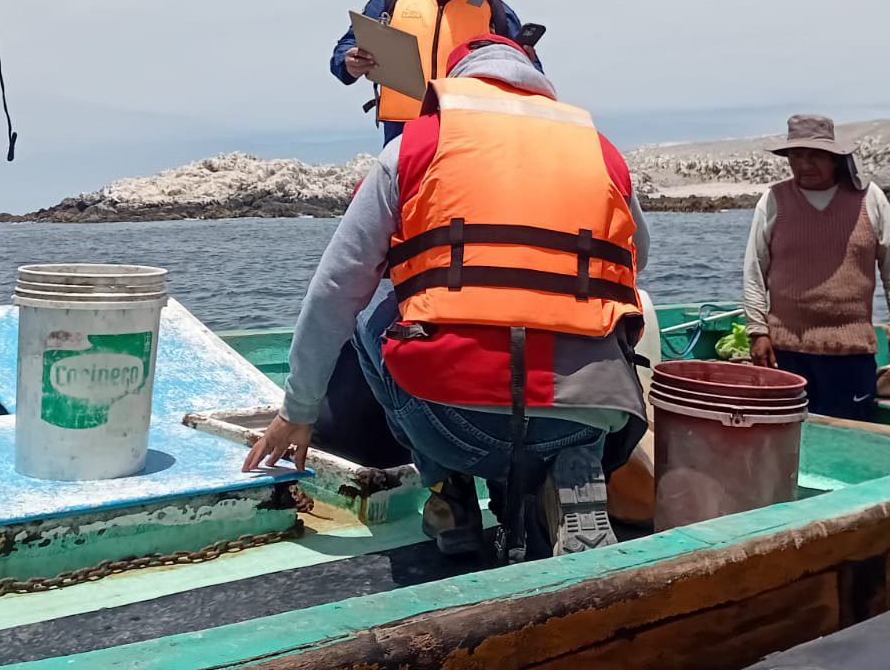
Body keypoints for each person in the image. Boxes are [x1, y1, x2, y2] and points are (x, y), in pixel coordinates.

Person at [247, 36, 648, 561]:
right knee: (608, 307)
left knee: (371, 309)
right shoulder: (602, 153)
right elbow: (638, 256)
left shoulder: (413, 146)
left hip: (458, 426)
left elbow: (334, 289)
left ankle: (449, 493)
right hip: (586, 416)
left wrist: (299, 410)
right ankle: (577, 468)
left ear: (458, 84)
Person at [742, 114, 890, 419]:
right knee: (793, 441)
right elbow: (754, 270)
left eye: (815, 155)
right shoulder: (773, 200)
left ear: (835, 158)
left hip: (852, 353)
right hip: (788, 352)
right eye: (796, 155)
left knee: (851, 441)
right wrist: (758, 331)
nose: (804, 165)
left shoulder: (869, 198)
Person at [329, 0, 536, 145]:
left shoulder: (496, 11)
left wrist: (525, 68)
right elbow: (342, 54)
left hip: (472, 138)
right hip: (403, 137)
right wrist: (350, 61)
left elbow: (535, 79)